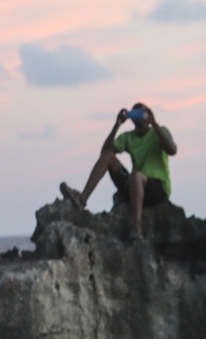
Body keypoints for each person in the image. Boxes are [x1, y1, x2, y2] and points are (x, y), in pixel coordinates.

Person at [60, 102, 177, 240]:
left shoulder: (160, 131)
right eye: (135, 115)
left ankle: (136, 228)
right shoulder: (128, 137)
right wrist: (117, 125)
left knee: (136, 176)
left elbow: (172, 150)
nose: (139, 118)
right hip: (135, 186)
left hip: (158, 189)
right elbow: (105, 151)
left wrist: (155, 124)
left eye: (142, 114)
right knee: (109, 157)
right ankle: (82, 198)